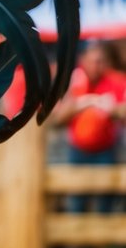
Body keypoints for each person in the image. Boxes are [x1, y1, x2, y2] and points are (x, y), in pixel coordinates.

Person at [51, 42, 126, 215]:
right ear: (82, 60)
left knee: (104, 204)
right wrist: (84, 103)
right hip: (77, 151)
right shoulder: (73, 81)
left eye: (100, 61)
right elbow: (57, 119)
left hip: (105, 151)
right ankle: (76, 242)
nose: (96, 66)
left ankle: (103, 241)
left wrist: (112, 109)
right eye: (93, 61)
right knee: (76, 203)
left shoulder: (115, 81)